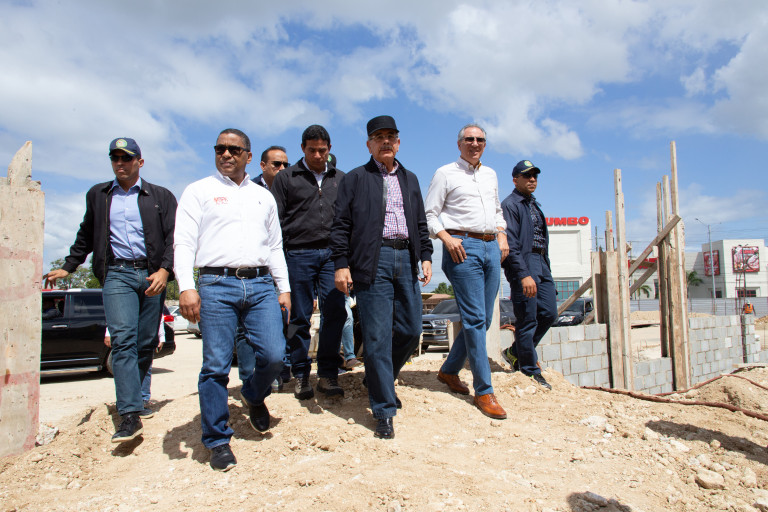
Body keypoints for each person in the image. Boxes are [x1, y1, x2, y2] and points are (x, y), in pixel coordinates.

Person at [43, 137, 177, 443]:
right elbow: (86, 233)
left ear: (140, 162)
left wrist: (164, 270)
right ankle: (129, 414)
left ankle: (139, 398)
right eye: (115, 158)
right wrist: (70, 265)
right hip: (117, 274)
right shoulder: (99, 195)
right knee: (123, 340)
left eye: (126, 158)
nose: (120, 163)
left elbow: (173, 237)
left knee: (145, 342)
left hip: (152, 276)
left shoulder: (161, 196)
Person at [174, 128, 290, 472]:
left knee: (275, 355)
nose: (226, 154)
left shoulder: (263, 196)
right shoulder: (198, 191)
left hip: (260, 284)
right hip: (215, 284)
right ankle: (217, 440)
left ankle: (253, 395)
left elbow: (274, 246)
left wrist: (283, 288)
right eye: (220, 148)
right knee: (216, 365)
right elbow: (184, 242)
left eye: (234, 150)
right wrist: (186, 286)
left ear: (248, 156)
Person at [331, 115, 433, 439]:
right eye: (379, 137)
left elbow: (420, 223)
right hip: (372, 261)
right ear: (369, 145)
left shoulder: (410, 179)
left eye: (391, 136)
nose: (385, 141)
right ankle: (384, 410)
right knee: (376, 338)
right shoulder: (355, 178)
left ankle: (378, 378)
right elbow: (340, 225)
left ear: (398, 142)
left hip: (406, 258)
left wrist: (426, 256)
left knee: (411, 330)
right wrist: (341, 264)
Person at [424, 123, 509, 420]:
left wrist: (501, 234)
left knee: (483, 320)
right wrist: (446, 239)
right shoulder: (445, 173)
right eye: (469, 139)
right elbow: (429, 214)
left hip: (491, 247)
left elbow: (496, 210)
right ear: (459, 143)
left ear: (485, 144)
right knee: (474, 319)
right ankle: (484, 391)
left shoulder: (491, 174)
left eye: (480, 139)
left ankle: (449, 371)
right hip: (461, 247)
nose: (475, 143)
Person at [271, 125, 347, 400]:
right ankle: (301, 374)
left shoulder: (341, 179)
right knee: (299, 317)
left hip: (333, 256)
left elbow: (348, 220)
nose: (317, 155)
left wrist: (346, 258)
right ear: (302, 148)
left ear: (329, 149)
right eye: (312, 150)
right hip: (298, 255)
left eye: (322, 150)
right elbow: (275, 221)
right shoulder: (286, 178)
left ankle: (327, 373)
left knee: (335, 313)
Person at [235, 145, 291, 389]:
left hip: (282, 264)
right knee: (245, 328)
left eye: (286, 164)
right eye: (276, 164)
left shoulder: (291, 188)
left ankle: (279, 371)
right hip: (252, 269)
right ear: (262, 165)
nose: (282, 168)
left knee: (282, 321)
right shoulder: (247, 189)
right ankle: (250, 380)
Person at [501, 160, 557, 390]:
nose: (532, 179)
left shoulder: (533, 205)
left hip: (541, 262)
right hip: (524, 264)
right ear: (515, 180)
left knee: (549, 313)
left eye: (535, 176)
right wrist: (523, 274)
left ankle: (515, 352)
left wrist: (545, 268)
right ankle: (529, 370)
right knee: (527, 319)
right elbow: (511, 243)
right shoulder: (510, 205)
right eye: (527, 176)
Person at [105, 316, 165, 415]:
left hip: (145, 334)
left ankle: (143, 399)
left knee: (145, 367)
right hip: (127, 335)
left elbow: (158, 315)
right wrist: (108, 332)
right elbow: (116, 315)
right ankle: (125, 401)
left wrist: (161, 336)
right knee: (125, 366)